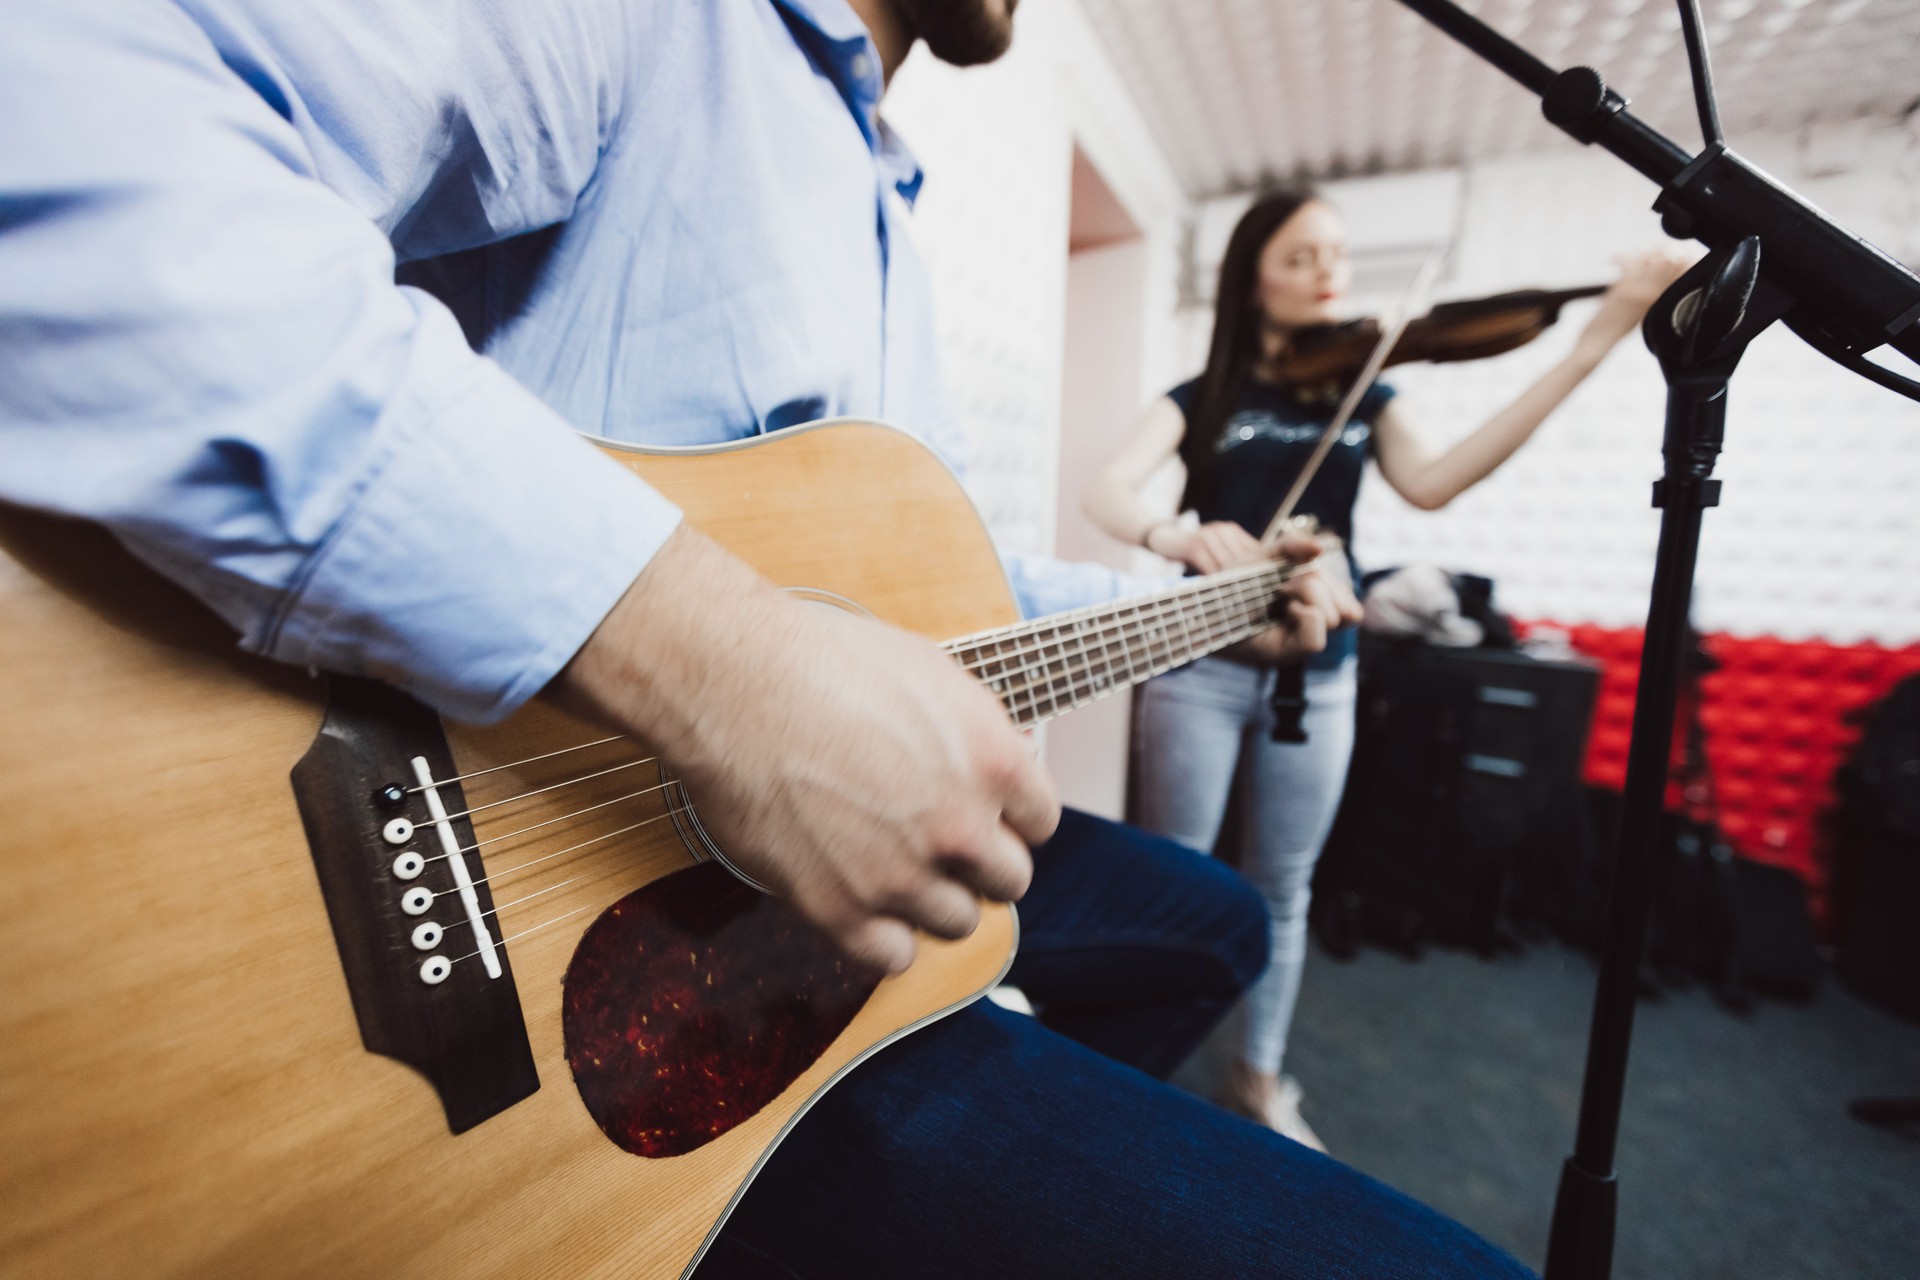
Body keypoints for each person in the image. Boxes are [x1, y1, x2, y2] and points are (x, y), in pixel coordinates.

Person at [0, 2, 1535, 1276]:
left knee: (1212, 922)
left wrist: (1212, 607)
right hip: (464, 890)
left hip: (742, 943)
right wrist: (714, 660)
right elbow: (58, 122)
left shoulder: (885, 213)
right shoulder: (663, 26)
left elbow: (945, 592)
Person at [1083, 187, 1690, 1151]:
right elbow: (1107, 488)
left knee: (1283, 885)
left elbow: (1438, 481)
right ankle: (1139, 1068)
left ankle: (1259, 1073)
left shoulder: (1371, 392)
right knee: (1176, 873)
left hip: (1321, 672)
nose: (1330, 272)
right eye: (1300, 257)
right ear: (1251, 281)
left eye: (1337, 254)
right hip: (1197, 664)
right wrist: (1178, 530)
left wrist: (1596, 341)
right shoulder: (1203, 396)